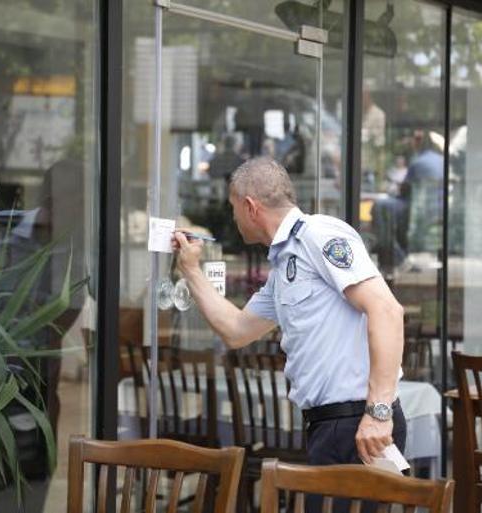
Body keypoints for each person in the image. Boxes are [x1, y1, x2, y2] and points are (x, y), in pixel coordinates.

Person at [172, 157, 405, 508]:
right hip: (329, 428)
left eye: (234, 209)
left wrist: (378, 413)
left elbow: (386, 311)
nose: (233, 219)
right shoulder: (284, 264)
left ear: (250, 207)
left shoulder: (319, 235)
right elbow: (236, 330)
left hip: (358, 424)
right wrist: (191, 270)